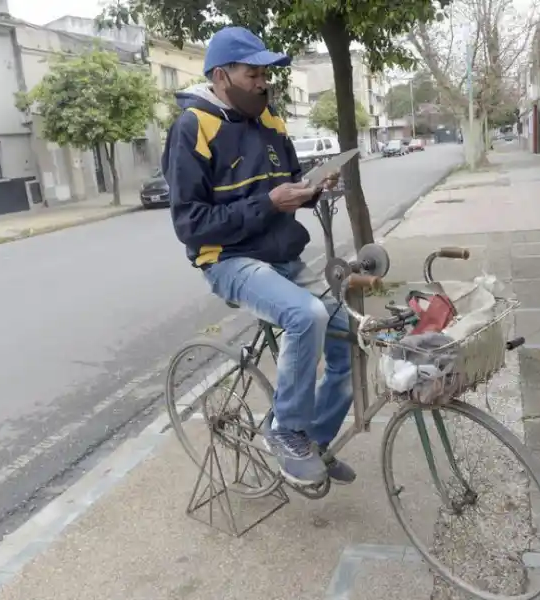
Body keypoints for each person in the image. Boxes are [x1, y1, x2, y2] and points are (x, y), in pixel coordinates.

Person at [161, 27, 355, 487]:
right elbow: (190, 224)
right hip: (228, 260)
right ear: (221, 76)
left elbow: (288, 188)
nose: (263, 83)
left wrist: (313, 189)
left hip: (281, 255)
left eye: (265, 75)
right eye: (253, 75)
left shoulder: (272, 123)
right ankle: (286, 431)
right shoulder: (193, 127)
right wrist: (269, 203)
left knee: (350, 340)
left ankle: (315, 441)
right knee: (307, 315)